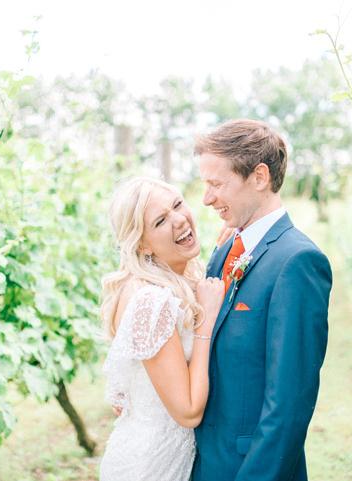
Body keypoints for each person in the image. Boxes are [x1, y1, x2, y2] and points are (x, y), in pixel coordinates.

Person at [192, 119, 333, 481]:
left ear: (259, 177)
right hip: (204, 462)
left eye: (216, 184)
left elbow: (288, 405)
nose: (207, 198)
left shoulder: (297, 262)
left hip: (251, 468)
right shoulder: (225, 251)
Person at [99, 177, 225, 481]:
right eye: (160, 221)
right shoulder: (151, 301)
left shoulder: (167, 281)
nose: (179, 220)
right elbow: (188, 411)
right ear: (142, 243)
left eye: (178, 205)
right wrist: (206, 321)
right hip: (151, 467)